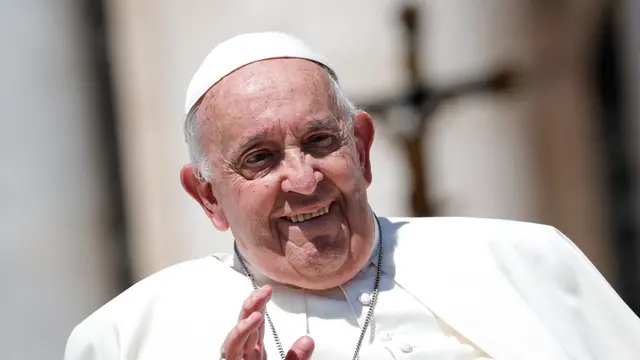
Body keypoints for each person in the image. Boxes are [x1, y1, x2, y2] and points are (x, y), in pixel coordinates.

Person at [64, 32, 640, 360]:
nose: (304, 178)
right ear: (207, 196)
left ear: (361, 149)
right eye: (259, 158)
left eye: (320, 141)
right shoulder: (127, 338)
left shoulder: (527, 263)